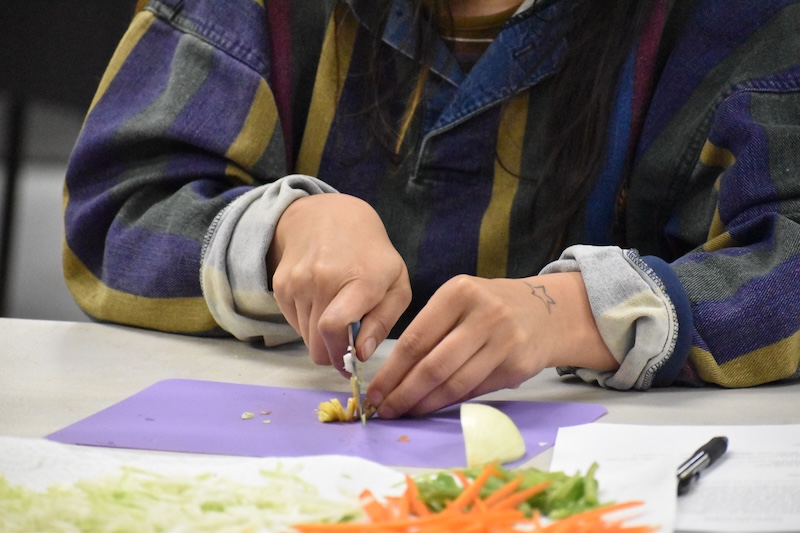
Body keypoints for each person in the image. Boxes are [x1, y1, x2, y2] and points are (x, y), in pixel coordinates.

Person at [63, 0, 800, 419]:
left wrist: (575, 312)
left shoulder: (733, 20)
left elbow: (785, 249)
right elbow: (116, 206)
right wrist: (284, 230)